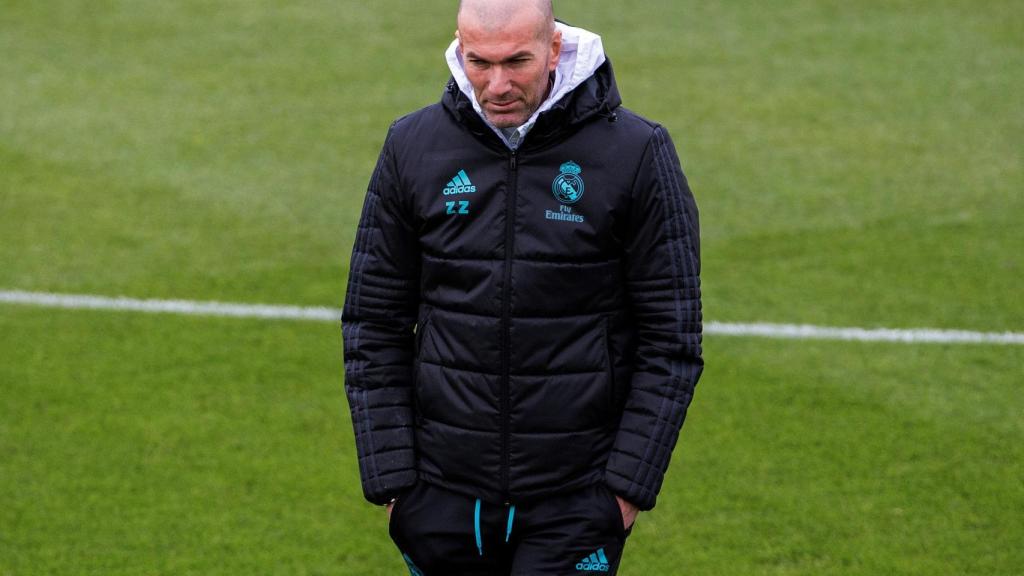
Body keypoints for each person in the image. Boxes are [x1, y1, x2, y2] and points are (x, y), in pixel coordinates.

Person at [342, 0, 702, 574]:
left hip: (576, 500)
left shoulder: (636, 153)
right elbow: (373, 322)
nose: (497, 84)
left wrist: (626, 490)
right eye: (479, 62)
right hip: (440, 500)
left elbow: (672, 337)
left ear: (554, 47)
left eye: (517, 62)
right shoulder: (412, 147)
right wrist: (393, 486)